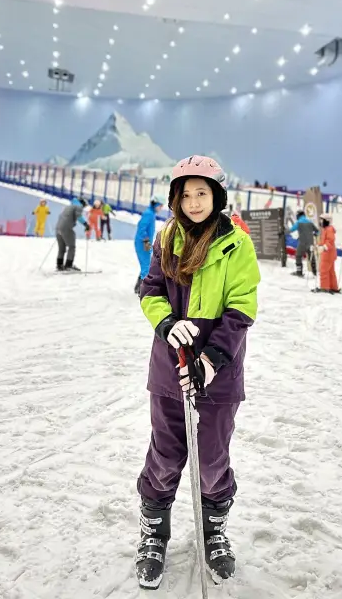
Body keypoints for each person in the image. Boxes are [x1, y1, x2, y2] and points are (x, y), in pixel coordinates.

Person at [136, 155, 260, 589]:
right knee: (166, 456)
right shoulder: (166, 238)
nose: (193, 202)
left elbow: (242, 305)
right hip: (170, 369)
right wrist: (167, 323)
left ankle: (214, 532)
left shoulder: (236, 244)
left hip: (219, 374)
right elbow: (150, 288)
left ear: (217, 196)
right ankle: (154, 534)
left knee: (211, 461)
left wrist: (212, 359)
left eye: (201, 193)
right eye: (185, 194)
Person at [134, 195, 164, 294]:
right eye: (160, 206)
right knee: (146, 266)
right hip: (142, 243)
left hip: (145, 242)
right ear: (155, 204)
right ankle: (142, 290)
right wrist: (146, 242)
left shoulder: (151, 213)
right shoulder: (148, 214)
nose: (161, 208)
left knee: (147, 264)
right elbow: (141, 228)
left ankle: (138, 287)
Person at [55, 198, 90, 271]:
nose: (84, 207)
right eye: (85, 206)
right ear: (82, 203)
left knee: (61, 249)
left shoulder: (69, 206)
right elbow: (79, 216)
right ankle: (68, 265)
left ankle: (59, 265)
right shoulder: (78, 206)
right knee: (72, 247)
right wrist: (86, 224)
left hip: (58, 228)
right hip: (66, 228)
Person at [288, 210, 319, 277]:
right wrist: (315, 234)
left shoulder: (299, 222)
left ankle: (299, 272)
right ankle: (315, 273)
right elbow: (317, 231)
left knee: (298, 256)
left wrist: (283, 232)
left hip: (302, 243)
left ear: (298, 215)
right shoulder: (310, 222)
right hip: (310, 243)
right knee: (311, 257)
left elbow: (291, 230)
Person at [316, 213, 339, 293]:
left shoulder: (329, 229)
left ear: (327, 221)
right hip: (329, 253)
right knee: (330, 271)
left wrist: (324, 247)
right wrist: (317, 246)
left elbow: (330, 240)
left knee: (323, 270)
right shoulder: (326, 229)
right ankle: (333, 287)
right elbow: (323, 241)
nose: (320, 222)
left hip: (328, 253)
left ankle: (324, 287)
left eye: (322, 220)